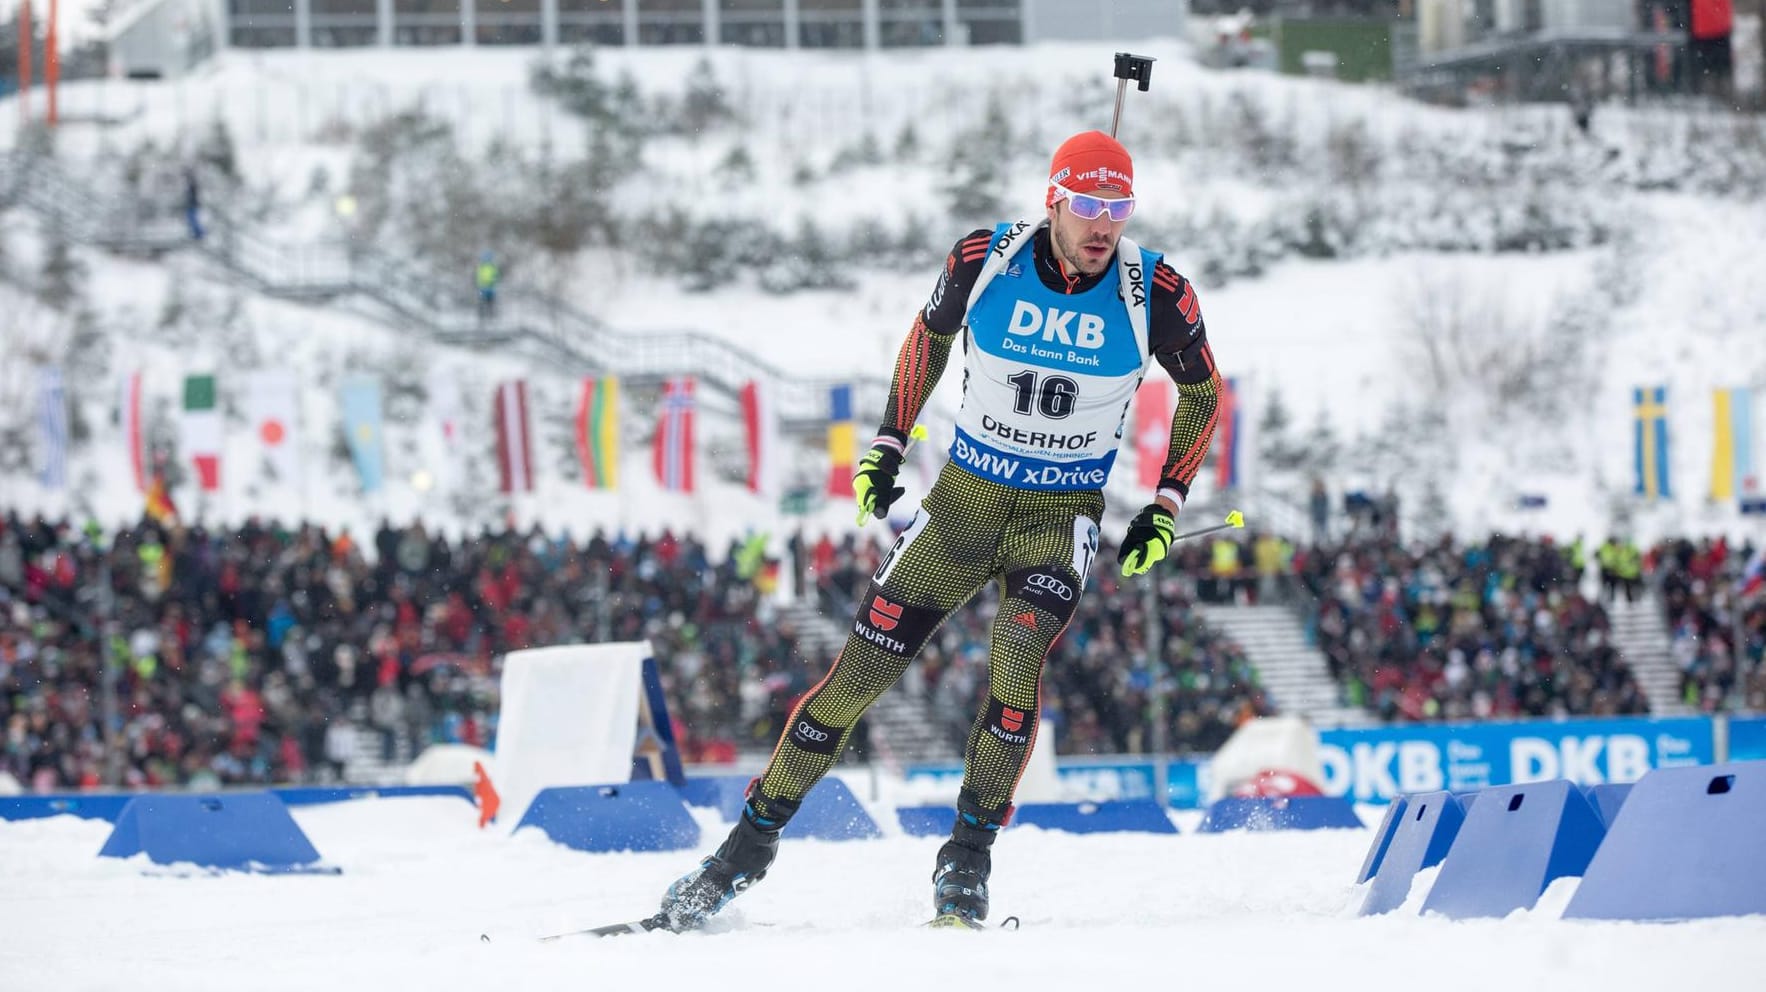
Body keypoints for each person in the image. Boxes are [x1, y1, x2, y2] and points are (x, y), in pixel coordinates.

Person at [656, 130, 1225, 931]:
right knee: (853, 682)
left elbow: (1203, 395)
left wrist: (1165, 504)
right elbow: (927, 341)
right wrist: (889, 442)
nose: (1104, 225)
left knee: (1016, 656)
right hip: (962, 503)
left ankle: (967, 858)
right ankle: (743, 852)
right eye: (1089, 205)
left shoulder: (1155, 291)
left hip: (1057, 516)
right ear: (1053, 199)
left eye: (1119, 208)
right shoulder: (983, 259)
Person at [475, 251, 500, 321]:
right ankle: (482, 318)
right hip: (483, 288)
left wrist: (493, 283)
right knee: (482, 304)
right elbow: (478, 277)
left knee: (490, 303)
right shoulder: (482, 267)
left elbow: (496, 276)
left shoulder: (492, 267)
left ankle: (490, 317)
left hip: (490, 288)